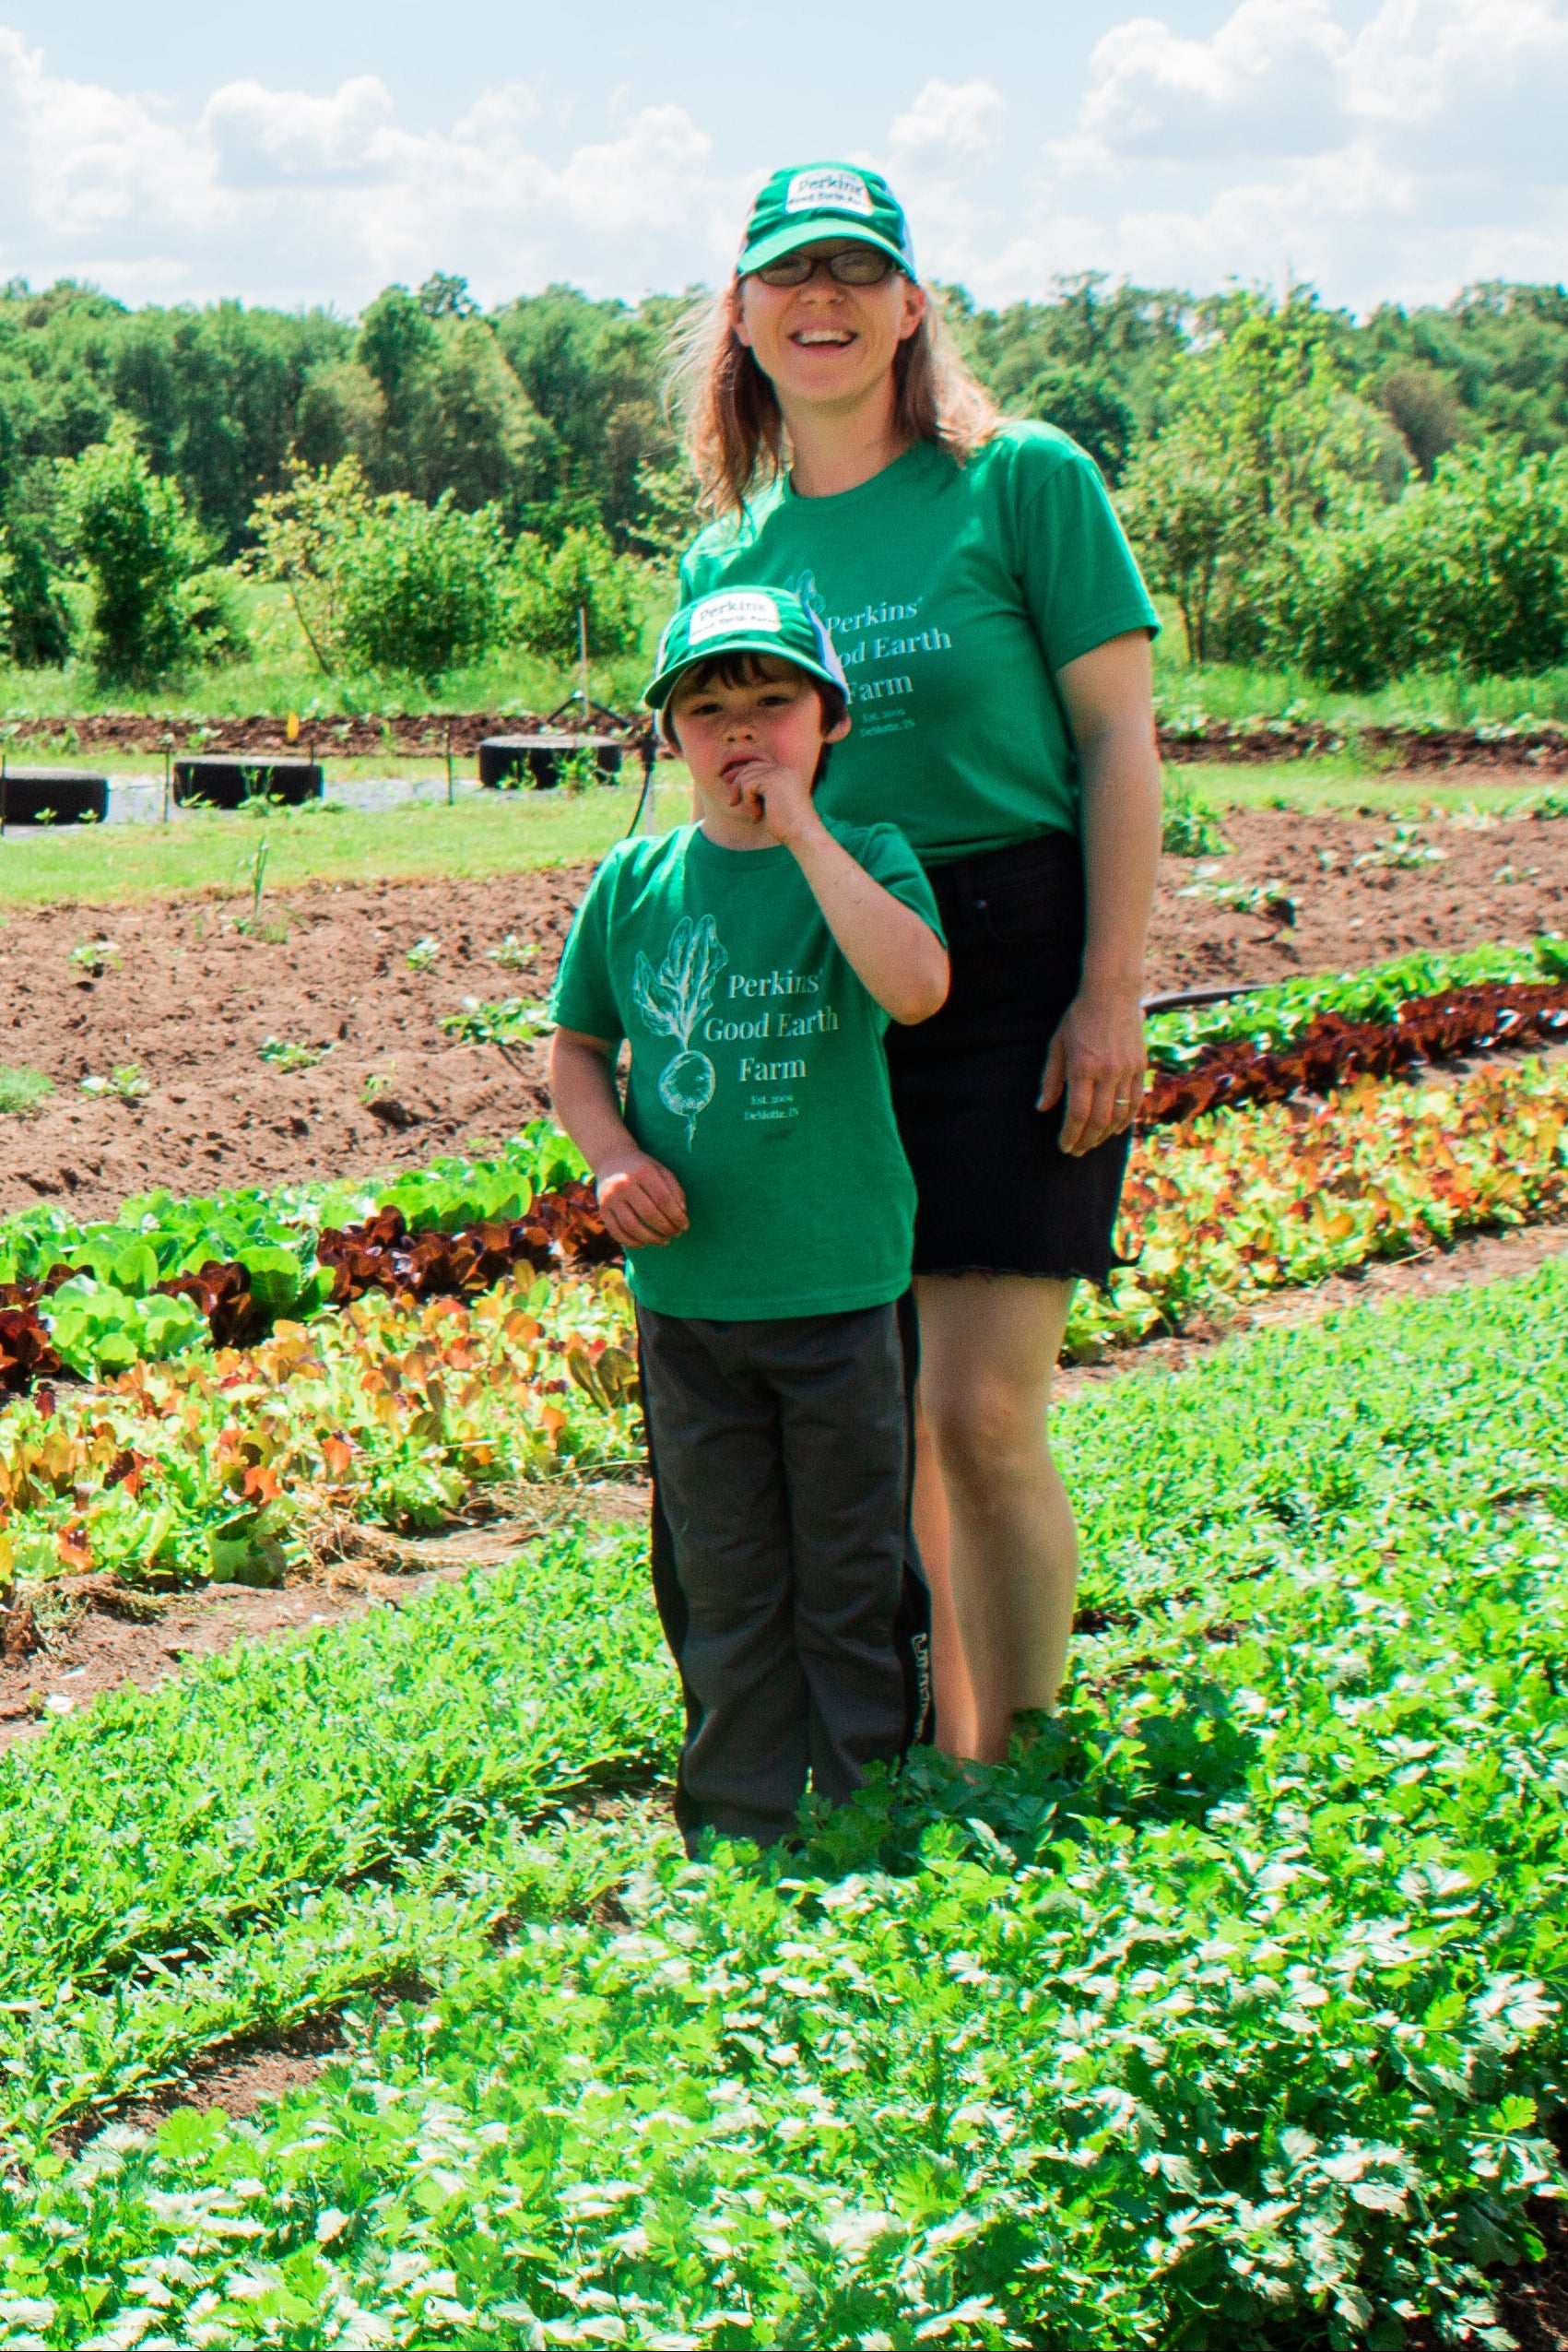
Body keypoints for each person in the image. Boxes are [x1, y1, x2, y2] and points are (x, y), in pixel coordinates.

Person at [671, 162, 1163, 1763]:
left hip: (1012, 959)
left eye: (853, 273)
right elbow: (720, 798)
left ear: (910, 303)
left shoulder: (1018, 482)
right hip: (824, 978)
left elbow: (1114, 740)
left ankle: (1008, 1758)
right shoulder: (727, 553)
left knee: (968, 1411)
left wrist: (1108, 988)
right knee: (857, 1418)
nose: (821, 303)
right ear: (739, 316)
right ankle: (874, 1746)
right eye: (786, 278)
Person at [548, 585, 949, 1850]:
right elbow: (576, 1050)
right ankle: (737, 1831)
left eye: (772, 703)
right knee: (719, 1578)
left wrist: (809, 841)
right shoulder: (636, 881)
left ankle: (866, 1813)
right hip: (689, 1303)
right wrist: (609, 1157)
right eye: (706, 710)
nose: (741, 735)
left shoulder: (870, 857)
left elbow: (918, 988)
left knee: (849, 1575)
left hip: (836, 1289)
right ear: (670, 737)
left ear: (826, 720)